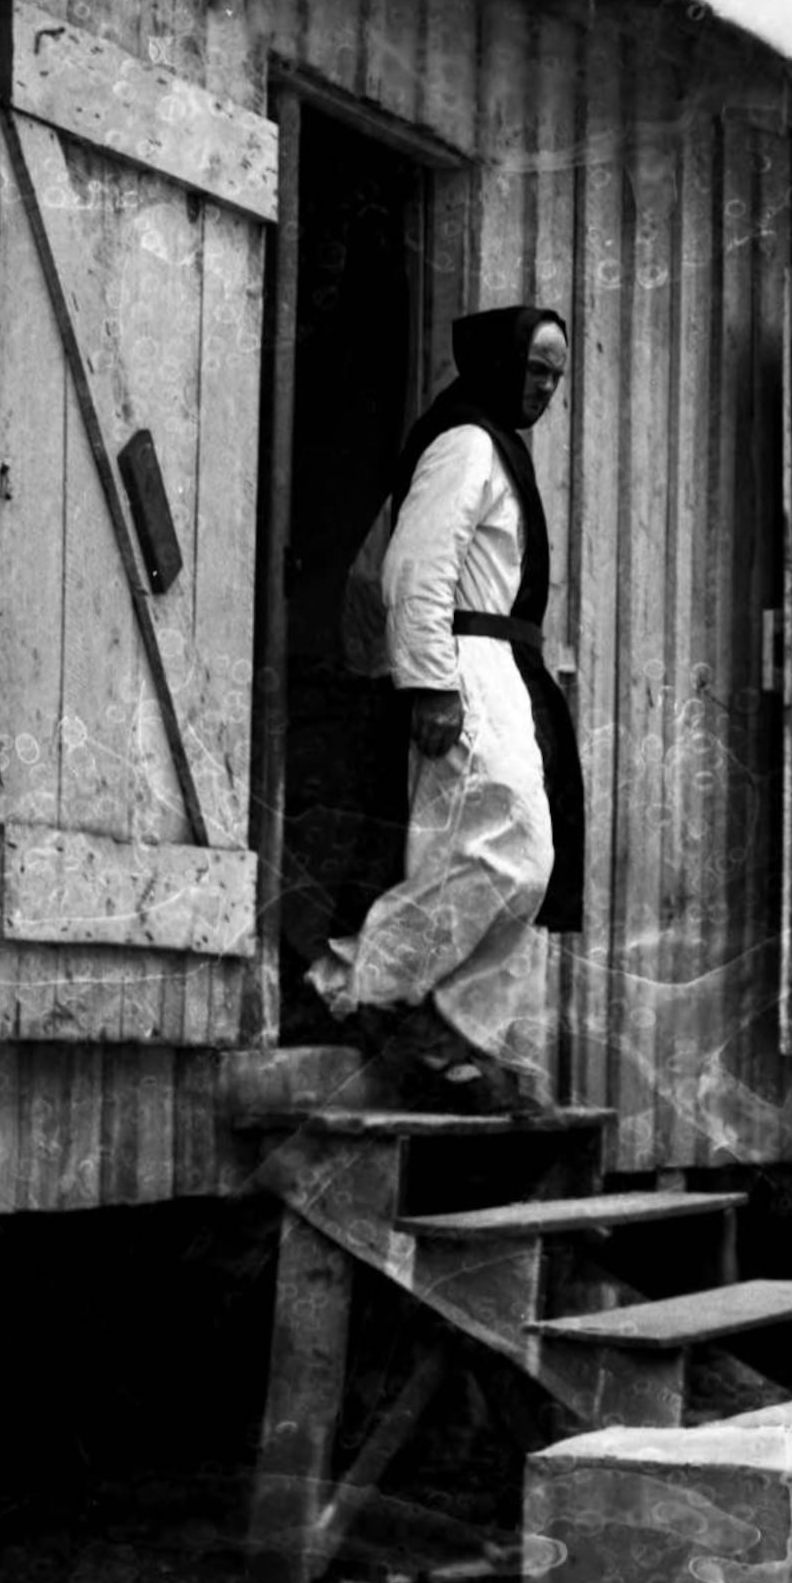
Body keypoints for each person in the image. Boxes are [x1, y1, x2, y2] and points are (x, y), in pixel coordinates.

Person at [306, 306, 584, 1117]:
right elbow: (416, 563)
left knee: (512, 860)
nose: (545, 387)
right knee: (513, 854)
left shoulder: (500, 445)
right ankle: (364, 980)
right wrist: (429, 681)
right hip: (464, 660)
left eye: (557, 376)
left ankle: (460, 1036)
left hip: (504, 666)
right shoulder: (464, 441)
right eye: (536, 368)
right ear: (499, 364)